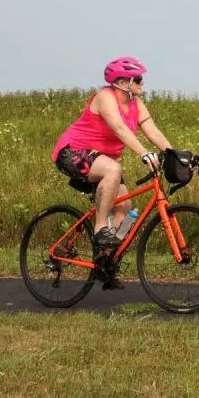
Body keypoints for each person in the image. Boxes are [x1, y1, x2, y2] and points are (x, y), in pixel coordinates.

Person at [51, 56, 175, 287]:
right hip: (73, 152)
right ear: (121, 82)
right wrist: (143, 153)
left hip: (102, 159)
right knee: (113, 169)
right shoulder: (105, 97)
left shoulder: (137, 104)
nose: (142, 83)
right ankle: (100, 228)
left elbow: (154, 133)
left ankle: (104, 261)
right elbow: (118, 127)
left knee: (125, 208)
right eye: (137, 79)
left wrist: (176, 155)